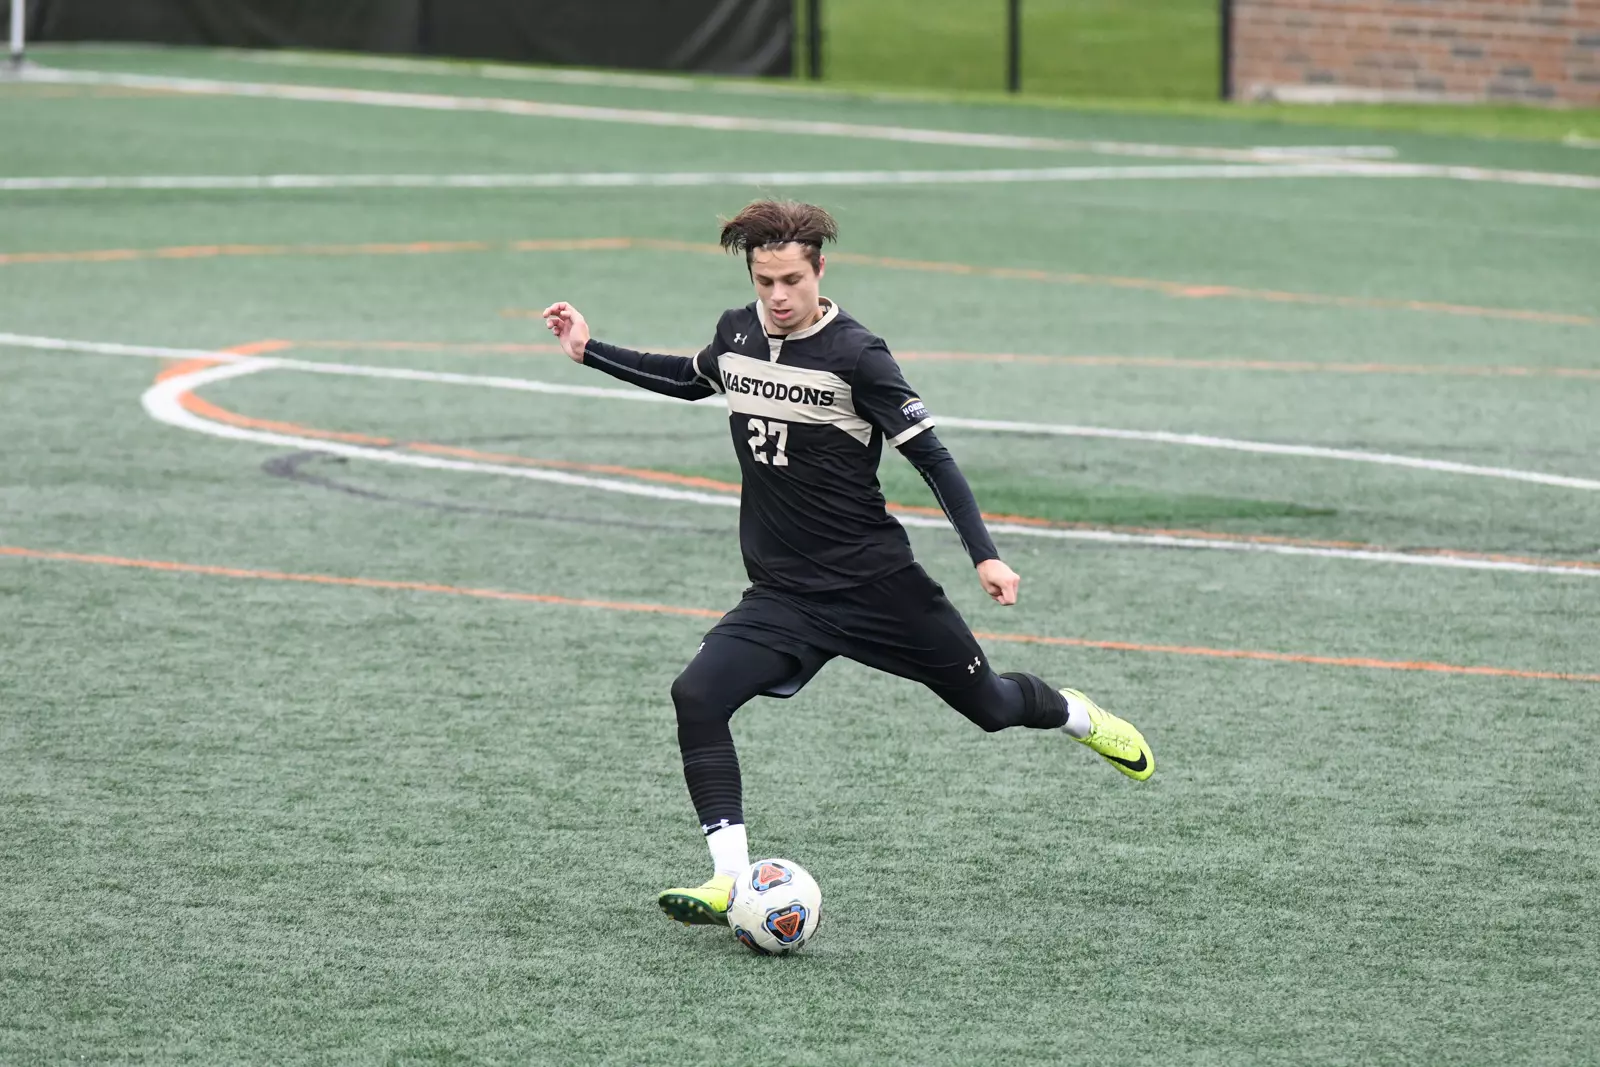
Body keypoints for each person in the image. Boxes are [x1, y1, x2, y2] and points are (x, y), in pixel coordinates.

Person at [542, 199, 1153, 928]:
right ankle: (730, 878)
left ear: (820, 271)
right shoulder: (736, 333)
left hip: (878, 587)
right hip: (785, 593)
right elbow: (690, 377)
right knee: (696, 695)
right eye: (765, 281)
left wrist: (985, 556)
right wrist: (589, 349)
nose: (778, 296)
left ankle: (1079, 714)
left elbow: (934, 459)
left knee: (992, 707)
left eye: (792, 280)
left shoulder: (858, 356)